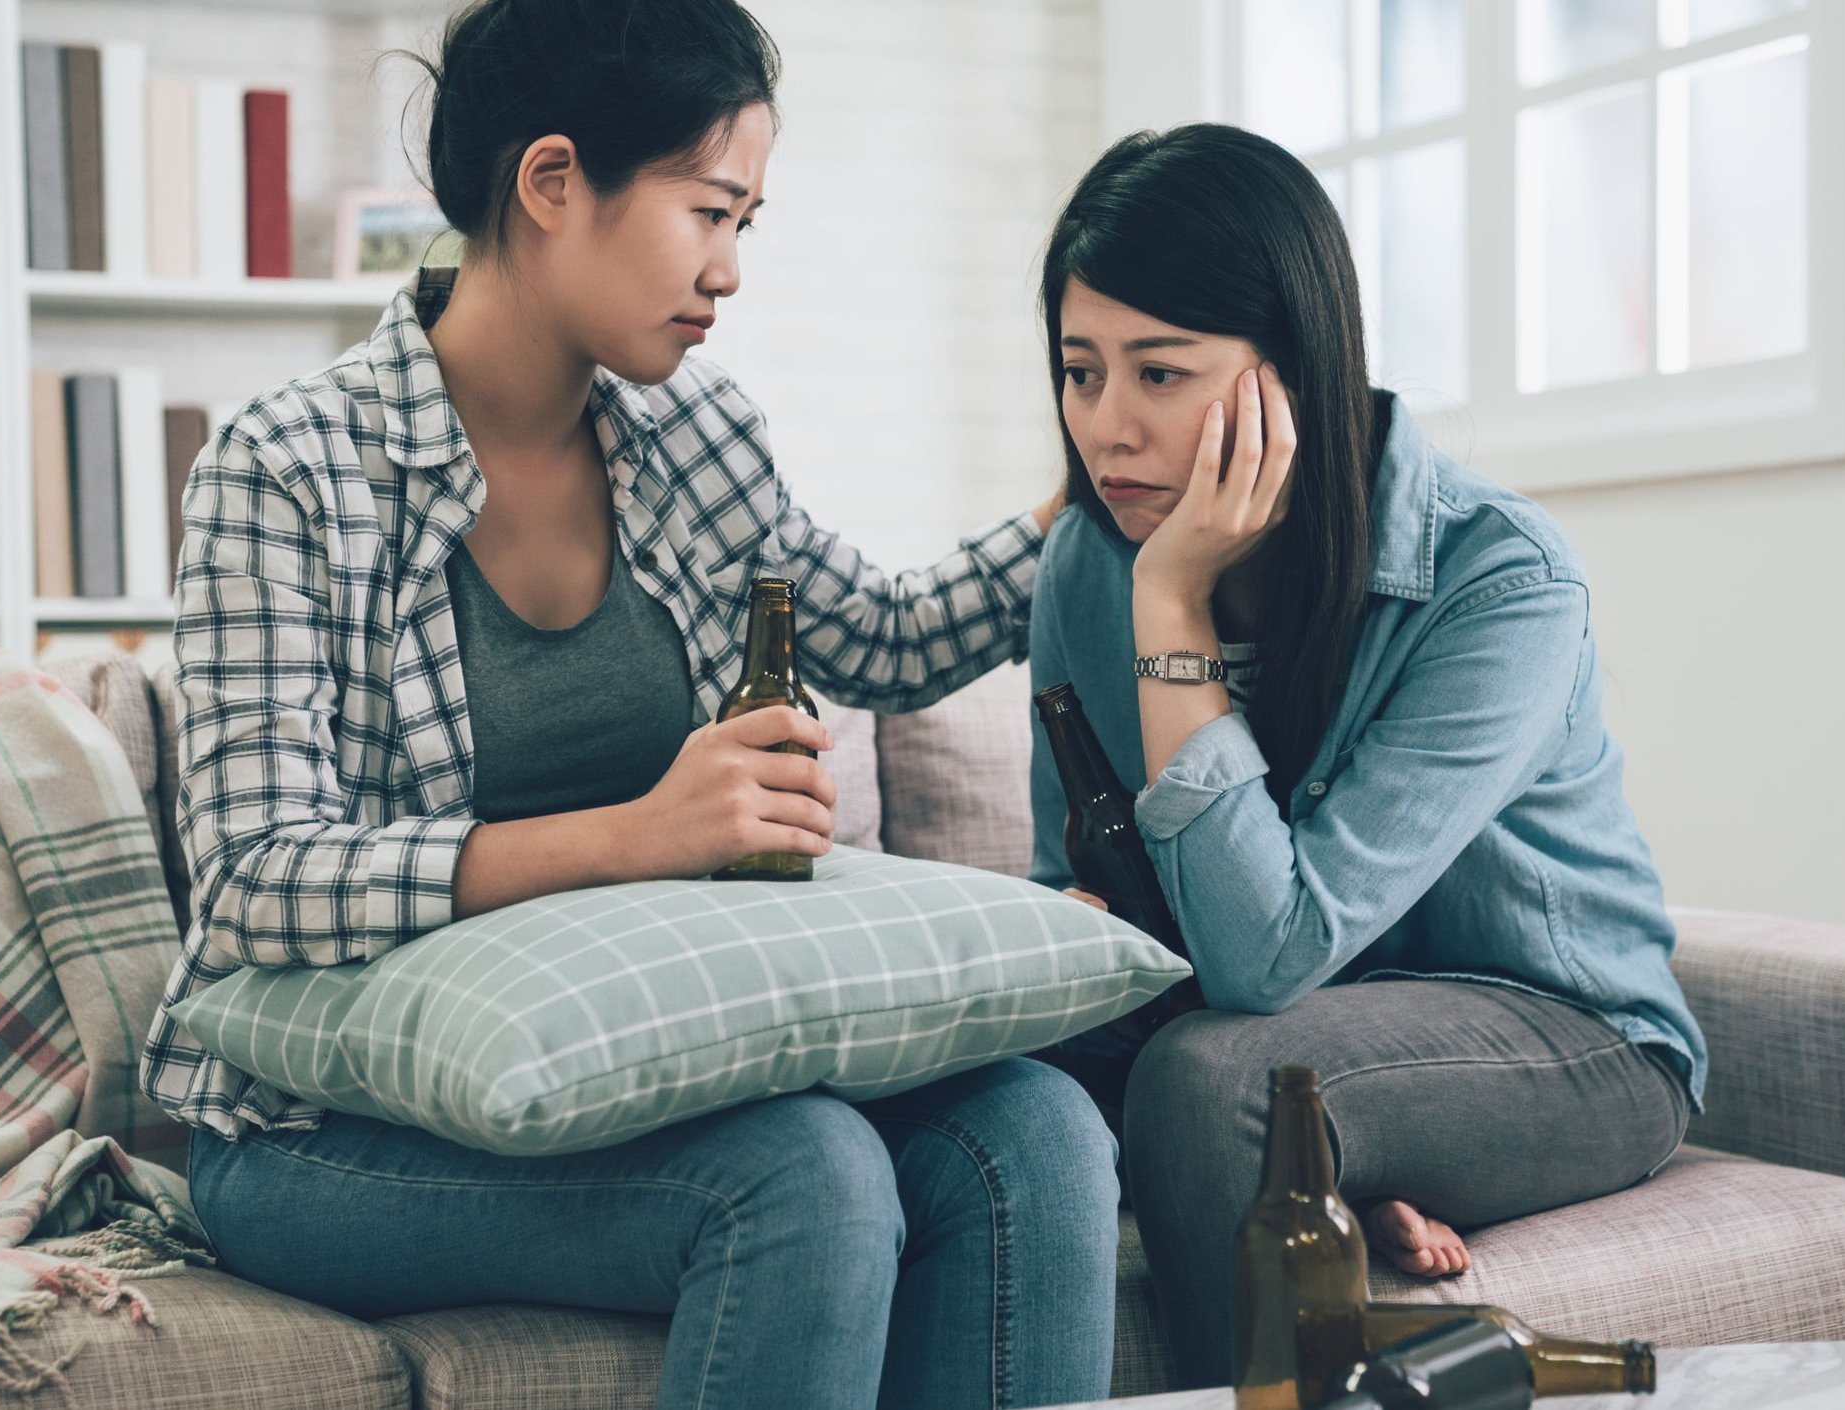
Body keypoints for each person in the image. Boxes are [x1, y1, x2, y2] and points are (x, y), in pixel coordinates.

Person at [139, 3, 1115, 1406]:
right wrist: (640, 830)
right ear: (551, 185)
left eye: (747, 224)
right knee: (807, 1172)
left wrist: (1112, 469)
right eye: (708, 211)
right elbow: (250, 875)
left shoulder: (697, 434)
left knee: (1037, 1130)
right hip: (323, 1126)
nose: (728, 272)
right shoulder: (289, 466)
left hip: (644, 1063)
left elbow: (888, 641)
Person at [1024, 123, 1709, 1387]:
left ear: (1292, 369)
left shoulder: (1500, 580)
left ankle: (1320, 1155)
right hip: (1318, 1045)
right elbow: (1080, 906)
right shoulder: (1082, 563)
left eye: (1160, 375)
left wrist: (1171, 611)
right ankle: (1326, 1160)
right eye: (1080, 371)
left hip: (1565, 1040)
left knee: (1220, 1083)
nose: (1105, 428)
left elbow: (1264, 955)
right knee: (986, 1071)